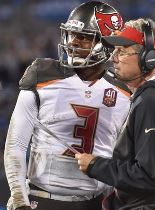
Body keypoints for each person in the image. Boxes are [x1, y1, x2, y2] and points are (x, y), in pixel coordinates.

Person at [4, 1, 131, 210]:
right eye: (72, 34)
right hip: (42, 198)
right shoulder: (42, 75)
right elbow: (16, 144)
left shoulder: (124, 91)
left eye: (84, 37)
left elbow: (122, 158)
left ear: (106, 43)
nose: (73, 42)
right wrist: (19, 198)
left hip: (96, 202)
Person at [75, 18, 155, 210]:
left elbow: (151, 177)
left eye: (122, 52)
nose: (113, 57)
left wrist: (96, 166)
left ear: (148, 58)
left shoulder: (151, 103)